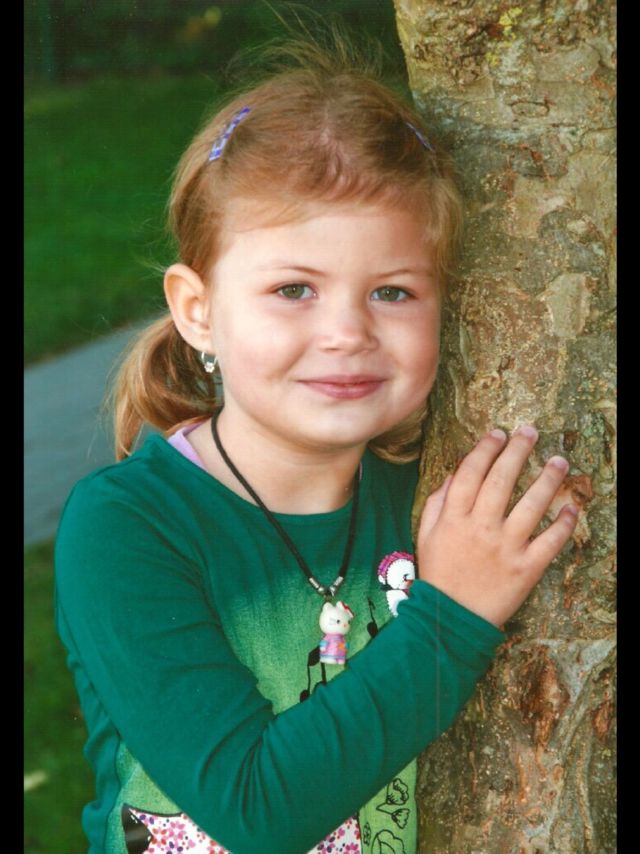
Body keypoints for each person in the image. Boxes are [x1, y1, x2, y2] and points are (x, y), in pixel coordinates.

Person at [54, 31, 578, 854]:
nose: (346, 333)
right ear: (197, 310)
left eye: (392, 292)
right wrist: (453, 615)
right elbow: (255, 810)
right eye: (294, 288)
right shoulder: (128, 528)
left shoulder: (435, 500)